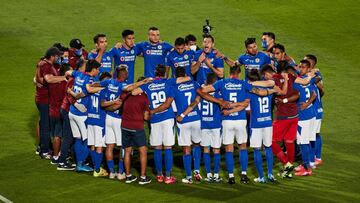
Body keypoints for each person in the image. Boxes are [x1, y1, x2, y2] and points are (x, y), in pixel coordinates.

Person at [199, 65, 276, 184]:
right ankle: (244, 175)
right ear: (239, 73)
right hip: (240, 120)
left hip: (227, 120)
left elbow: (203, 91)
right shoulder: (244, 84)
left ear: (230, 72)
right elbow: (252, 98)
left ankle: (230, 177)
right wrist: (272, 90)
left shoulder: (222, 83)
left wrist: (222, 102)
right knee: (243, 147)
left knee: (229, 149)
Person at [150, 67, 203, 184]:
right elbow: (199, 98)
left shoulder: (173, 87)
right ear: (185, 74)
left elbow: (168, 104)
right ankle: (197, 171)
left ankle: (188, 177)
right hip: (196, 118)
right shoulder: (194, 83)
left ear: (174, 75)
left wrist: (152, 111)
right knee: (197, 145)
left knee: (186, 148)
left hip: (182, 121)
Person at [261, 64, 315, 177]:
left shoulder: (274, 79)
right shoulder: (292, 77)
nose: (265, 77)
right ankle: (289, 167)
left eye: (264, 75)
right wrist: (310, 76)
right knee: (289, 141)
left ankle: (286, 163)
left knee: (270, 140)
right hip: (294, 115)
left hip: (283, 117)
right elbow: (302, 86)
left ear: (268, 73)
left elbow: (282, 92)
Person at [100, 66, 151, 180]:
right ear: (123, 74)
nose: (128, 74)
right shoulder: (123, 86)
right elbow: (129, 90)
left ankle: (112, 172)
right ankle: (121, 172)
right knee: (124, 148)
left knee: (109, 146)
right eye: (127, 72)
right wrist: (143, 82)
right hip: (119, 119)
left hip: (109, 117)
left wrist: (109, 109)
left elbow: (99, 89)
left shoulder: (109, 82)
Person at [131, 65, 177, 184]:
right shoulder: (169, 83)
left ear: (155, 73)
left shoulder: (148, 85)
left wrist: (143, 82)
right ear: (164, 73)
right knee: (167, 147)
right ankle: (168, 176)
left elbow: (133, 92)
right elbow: (167, 104)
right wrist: (153, 111)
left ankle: (159, 175)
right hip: (167, 118)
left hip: (154, 120)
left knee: (157, 147)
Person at [65, 59, 104, 172]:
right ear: (94, 69)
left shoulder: (78, 74)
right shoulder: (89, 78)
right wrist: (103, 87)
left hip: (72, 112)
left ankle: (78, 163)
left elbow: (68, 72)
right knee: (88, 140)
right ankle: (80, 164)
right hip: (81, 114)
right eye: (98, 69)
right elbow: (88, 89)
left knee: (78, 138)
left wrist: (71, 90)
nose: (99, 71)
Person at [247, 69, 279, 183]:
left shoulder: (250, 90)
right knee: (268, 148)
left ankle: (261, 177)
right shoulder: (269, 88)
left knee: (256, 149)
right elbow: (273, 85)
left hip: (256, 124)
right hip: (267, 122)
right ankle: (270, 174)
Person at [35, 47, 67, 159]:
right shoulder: (45, 65)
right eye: (57, 56)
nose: (59, 58)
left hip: (45, 98)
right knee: (45, 125)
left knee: (46, 124)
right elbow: (48, 79)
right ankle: (44, 151)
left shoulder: (45, 64)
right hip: (43, 99)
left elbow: (39, 78)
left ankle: (44, 148)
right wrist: (64, 78)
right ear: (52, 56)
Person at [121, 77, 152, 185]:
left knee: (127, 151)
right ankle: (143, 177)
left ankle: (128, 176)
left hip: (124, 125)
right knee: (143, 151)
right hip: (137, 127)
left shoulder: (126, 95)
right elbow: (146, 117)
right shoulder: (144, 97)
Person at [57, 59, 86, 170]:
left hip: (69, 109)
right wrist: (76, 104)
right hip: (67, 110)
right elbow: (69, 94)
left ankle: (74, 159)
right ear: (79, 69)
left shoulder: (79, 78)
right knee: (68, 137)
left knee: (74, 137)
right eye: (85, 66)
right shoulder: (74, 79)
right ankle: (62, 162)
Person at [292, 60, 317, 176]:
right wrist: (308, 103)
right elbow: (315, 94)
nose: (300, 69)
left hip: (303, 116)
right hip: (311, 113)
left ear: (308, 69)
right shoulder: (309, 79)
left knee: (303, 142)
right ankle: (308, 163)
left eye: (303, 67)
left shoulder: (296, 83)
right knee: (307, 140)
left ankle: (306, 168)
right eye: (300, 67)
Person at [87, 72, 111, 177]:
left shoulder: (92, 90)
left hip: (90, 118)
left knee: (92, 145)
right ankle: (97, 170)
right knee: (99, 146)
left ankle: (95, 166)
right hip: (99, 121)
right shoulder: (105, 91)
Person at [199, 73, 222, 183]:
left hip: (204, 125)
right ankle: (216, 174)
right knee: (216, 150)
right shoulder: (218, 93)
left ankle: (208, 174)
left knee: (206, 149)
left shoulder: (201, 92)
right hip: (216, 124)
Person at [304, 54, 324, 165]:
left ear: (312, 64)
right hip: (318, 108)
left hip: (315, 109)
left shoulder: (314, 75)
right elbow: (322, 91)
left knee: (311, 135)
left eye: (306, 62)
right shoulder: (315, 74)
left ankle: (312, 160)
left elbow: (321, 89)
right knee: (315, 134)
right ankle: (317, 157)